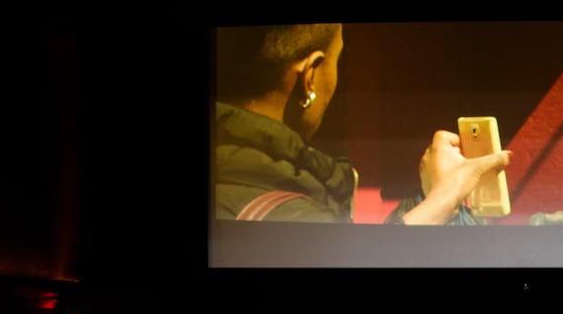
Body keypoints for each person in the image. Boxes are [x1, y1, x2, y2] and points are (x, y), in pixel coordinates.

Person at [214, 23, 511, 224]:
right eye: (337, 61)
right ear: (310, 78)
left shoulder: (232, 173)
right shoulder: (295, 217)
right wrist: (444, 199)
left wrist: (430, 199)